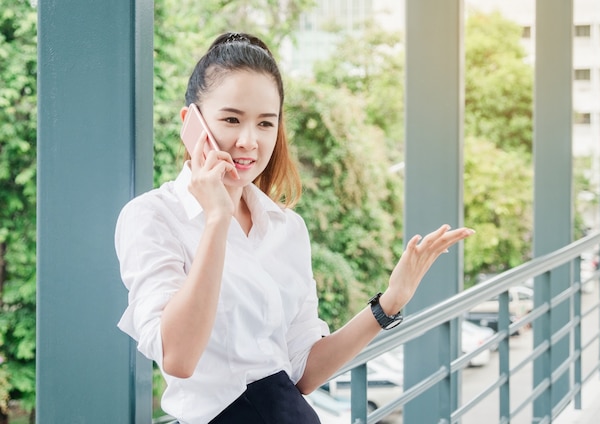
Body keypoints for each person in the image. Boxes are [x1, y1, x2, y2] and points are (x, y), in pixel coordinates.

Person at [115, 32, 474, 424]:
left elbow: (302, 371)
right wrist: (217, 219)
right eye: (231, 119)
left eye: (265, 123)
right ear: (192, 122)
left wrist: (390, 301)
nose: (249, 141)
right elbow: (179, 358)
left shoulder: (286, 228)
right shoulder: (152, 217)